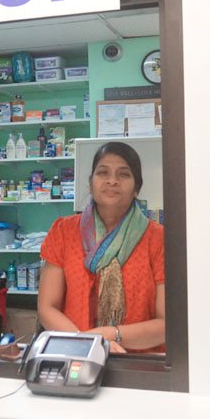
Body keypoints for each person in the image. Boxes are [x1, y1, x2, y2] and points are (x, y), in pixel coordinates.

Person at [38, 142, 165, 353]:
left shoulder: (157, 238)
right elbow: (47, 308)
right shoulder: (64, 231)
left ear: (136, 188)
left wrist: (111, 336)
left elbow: (165, 324)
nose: (112, 181)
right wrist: (88, 344)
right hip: (74, 355)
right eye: (102, 172)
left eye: (123, 174)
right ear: (90, 184)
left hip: (137, 361)